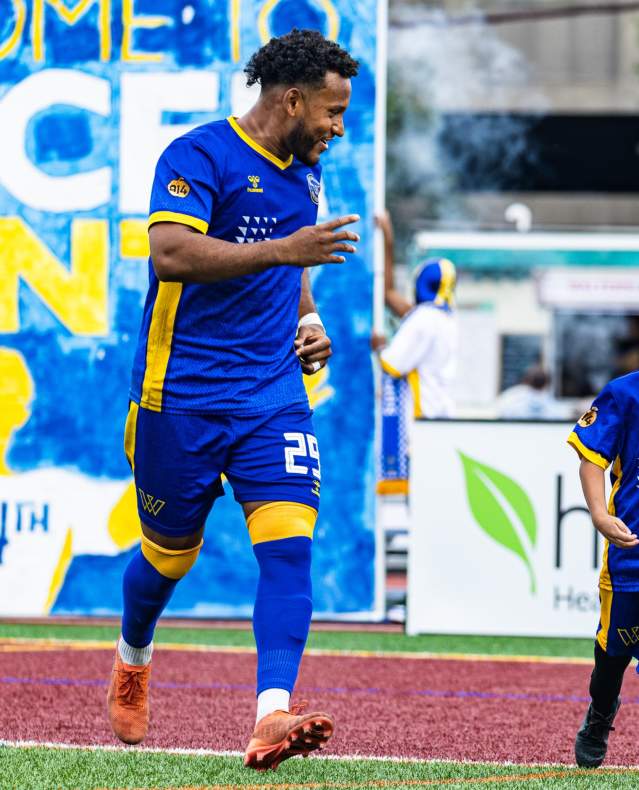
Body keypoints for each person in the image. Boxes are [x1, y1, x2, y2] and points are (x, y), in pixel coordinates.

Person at [106, 29, 360, 772]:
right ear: (290, 99)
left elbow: (295, 263)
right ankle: (132, 655)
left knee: (289, 551)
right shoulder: (197, 155)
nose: (337, 126)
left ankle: (270, 715)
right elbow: (171, 254)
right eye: (331, 110)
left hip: (272, 397)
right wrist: (285, 251)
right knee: (167, 560)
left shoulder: (307, 173)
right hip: (177, 397)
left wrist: (307, 319)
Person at [567, 371, 639, 767]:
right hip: (631, 554)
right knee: (612, 656)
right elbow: (591, 460)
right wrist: (598, 514)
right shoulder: (625, 393)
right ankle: (600, 714)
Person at [373, 211, 458, 420]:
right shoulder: (444, 319)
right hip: (439, 413)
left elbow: (392, 363)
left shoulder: (425, 318)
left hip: (420, 417)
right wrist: (387, 238)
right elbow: (389, 294)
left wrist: (379, 346)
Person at [496, 365, 568, 420]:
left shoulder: (512, 395)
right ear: (547, 383)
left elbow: (499, 412)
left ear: (525, 380)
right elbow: (560, 415)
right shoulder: (548, 400)